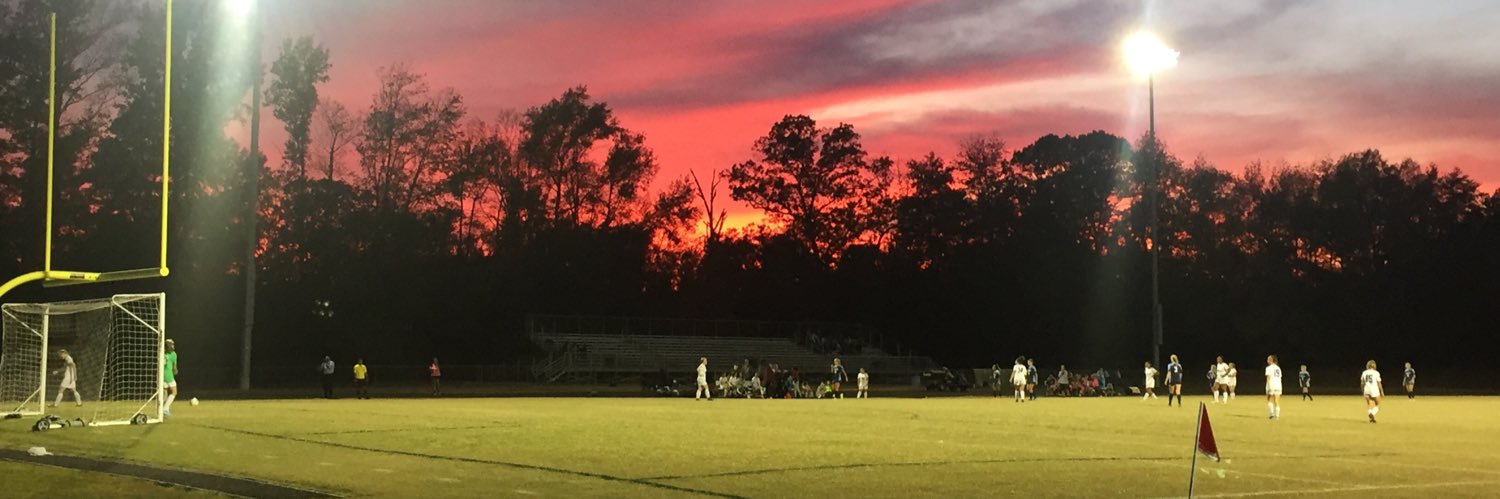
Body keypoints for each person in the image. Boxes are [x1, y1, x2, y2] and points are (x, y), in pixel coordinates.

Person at [162, 339, 179, 417]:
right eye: (172, 344)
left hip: (161, 375)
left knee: (165, 393)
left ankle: (162, 410)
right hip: (168, 375)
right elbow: (174, 368)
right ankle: (165, 408)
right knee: (174, 392)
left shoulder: (161, 353)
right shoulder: (173, 354)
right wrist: (175, 371)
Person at [1265, 355, 1283, 420]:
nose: (1267, 360)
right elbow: (1280, 378)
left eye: (1268, 359)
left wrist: (1268, 386)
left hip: (1271, 385)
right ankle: (1277, 416)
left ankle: (1272, 414)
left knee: (1269, 399)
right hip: (1278, 385)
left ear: (1271, 360)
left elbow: (1268, 378)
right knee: (1277, 401)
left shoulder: (1268, 368)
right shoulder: (1278, 368)